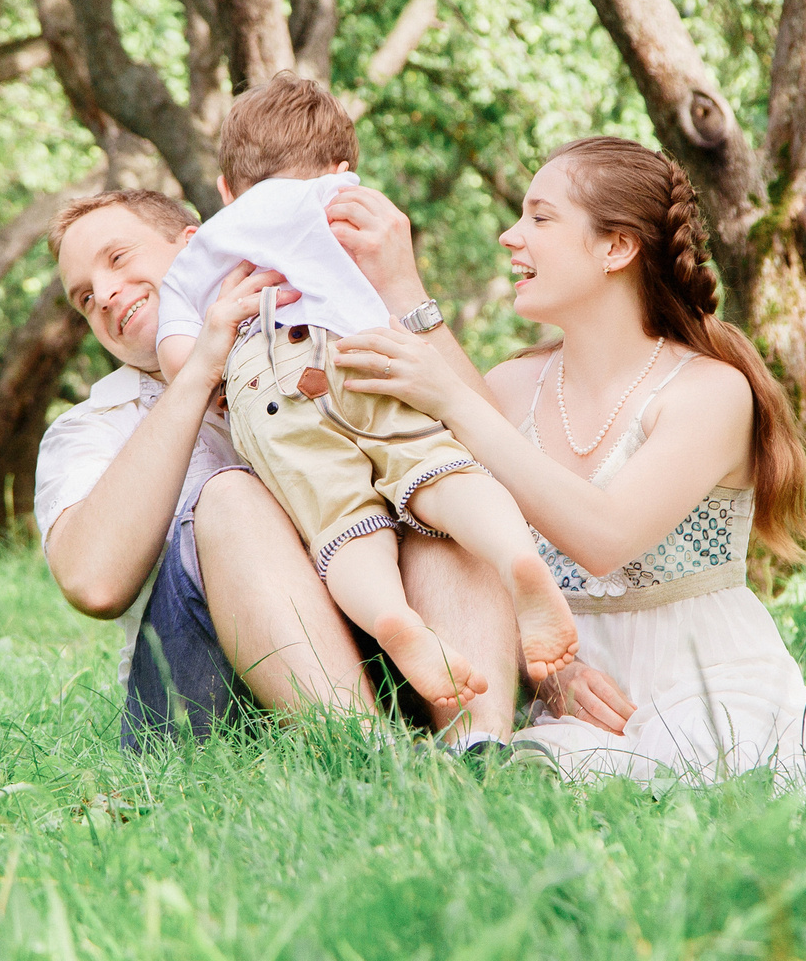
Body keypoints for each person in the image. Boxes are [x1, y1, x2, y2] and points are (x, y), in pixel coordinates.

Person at [335, 136, 806, 793]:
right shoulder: (511, 386)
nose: (510, 236)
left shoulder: (708, 391)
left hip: (705, 681)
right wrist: (396, 282)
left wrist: (451, 399)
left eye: (540, 217)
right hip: (566, 691)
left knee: (686, 781)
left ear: (616, 247)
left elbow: (604, 537)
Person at [154, 73, 583, 718]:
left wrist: (216, 361)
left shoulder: (206, 245)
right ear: (341, 167)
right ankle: (518, 558)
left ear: (224, 188)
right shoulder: (343, 200)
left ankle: (391, 619)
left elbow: (181, 354)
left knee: (344, 526)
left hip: (271, 392)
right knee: (442, 470)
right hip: (362, 355)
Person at [36, 183, 520, 752]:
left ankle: (481, 749)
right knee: (229, 498)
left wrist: (403, 290)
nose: (108, 295)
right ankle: (371, 757)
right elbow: (95, 584)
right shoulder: (91, 426)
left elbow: (499, 465)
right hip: (202, 703)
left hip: (378, 662)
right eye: (85, 298)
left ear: (198, 247)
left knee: (430, 483)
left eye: (117, 259)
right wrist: (198, 370)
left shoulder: (321, 338)